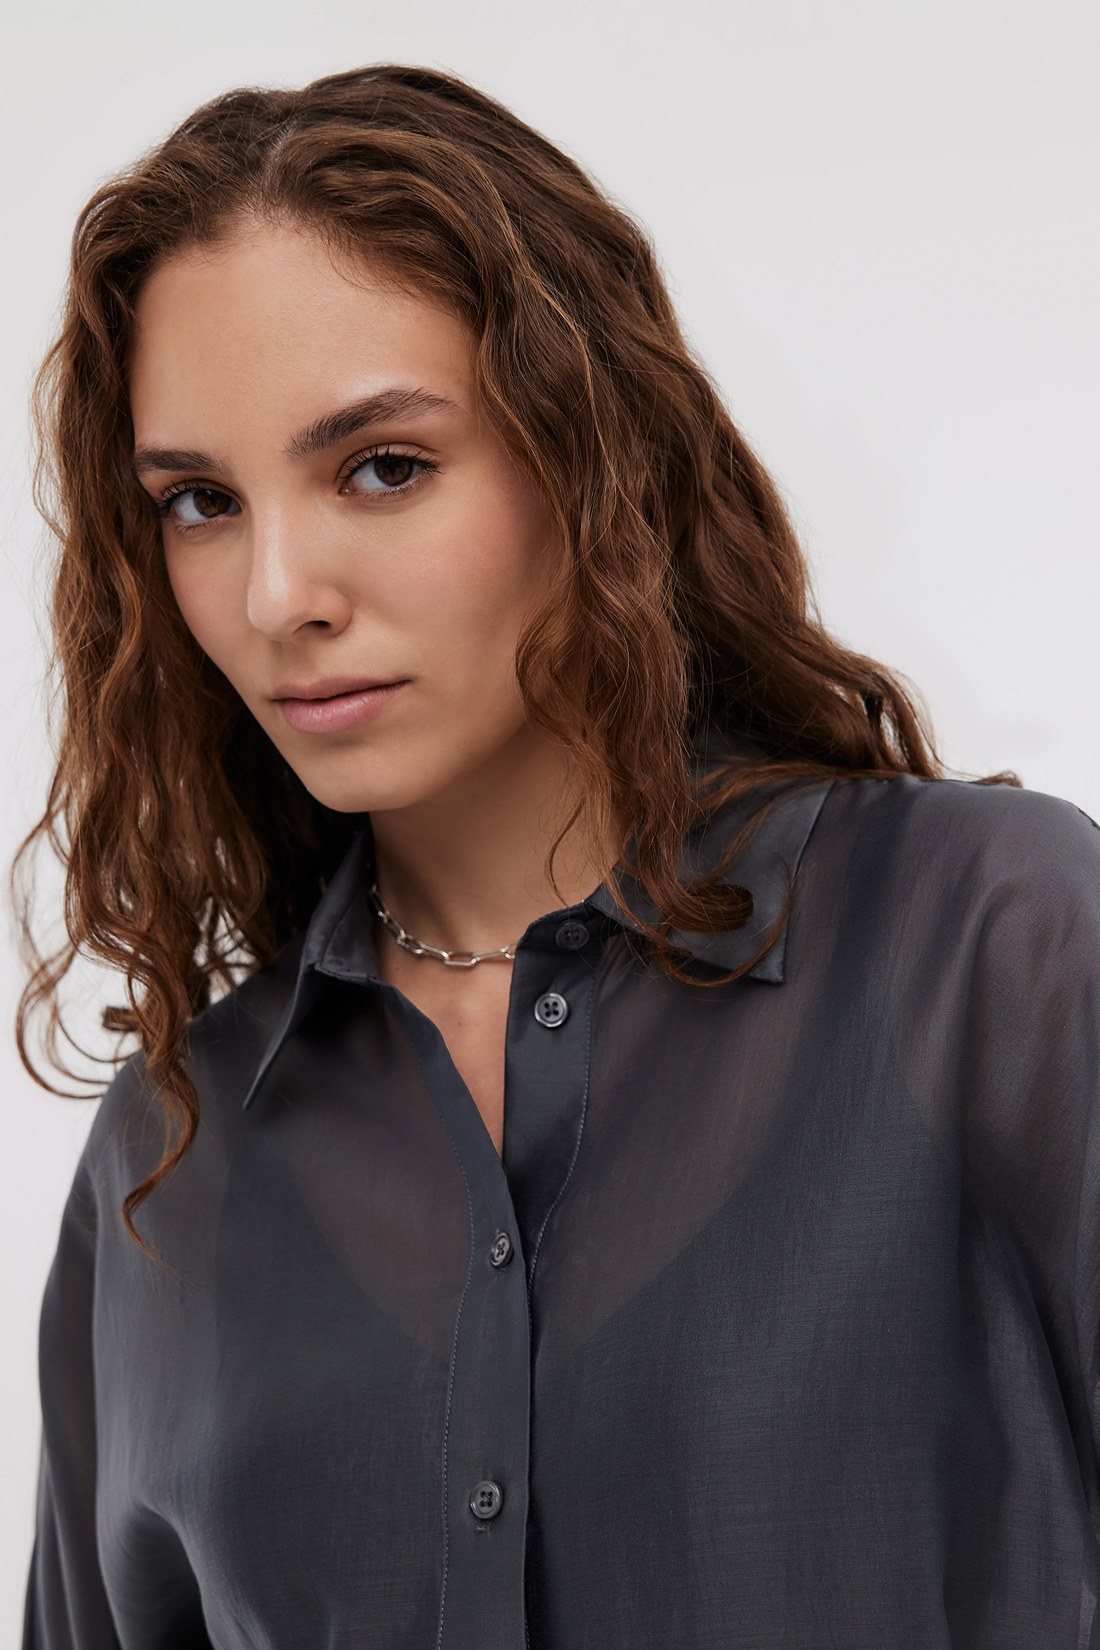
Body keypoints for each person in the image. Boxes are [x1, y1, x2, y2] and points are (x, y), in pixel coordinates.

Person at [18, 63, 1100, 1650]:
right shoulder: (167, 1163)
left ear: (591, 455)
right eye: (198, 501)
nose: (277, 594)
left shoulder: (996, 949)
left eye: (382, 467)